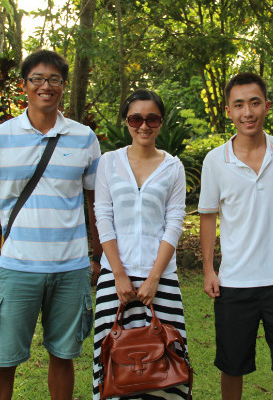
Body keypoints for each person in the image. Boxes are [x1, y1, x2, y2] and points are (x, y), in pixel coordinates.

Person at [0, 49, 102, 400]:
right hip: (16, 269)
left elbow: (96, 203)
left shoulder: (84, 138)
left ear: (63, 86)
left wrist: (97, 257)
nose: (46, 86)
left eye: (54, 79)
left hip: (70, 269)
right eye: (37, 79)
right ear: (24, 85)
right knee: (3, 360)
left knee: (64, 356)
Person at [198, 72, 273, 400]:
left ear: (267, 106)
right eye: (239, 105)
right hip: (234, 283)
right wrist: (209, 270)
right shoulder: (215, 160)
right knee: (232, 366)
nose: (247, 112)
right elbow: (207, 217)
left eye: (254, 103)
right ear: (228, 111)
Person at [92, 89, 190, 399]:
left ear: (161, 122)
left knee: (167, 359)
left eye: (152, 119)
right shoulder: (109, 162)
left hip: (160, 278)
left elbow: (174, 223)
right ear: (126, 121)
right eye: (136, 119)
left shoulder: (173, 167)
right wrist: (118, 275)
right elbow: (103, 217)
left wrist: (154, 277)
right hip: (114, 278)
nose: (144, 126)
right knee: (113, 359)